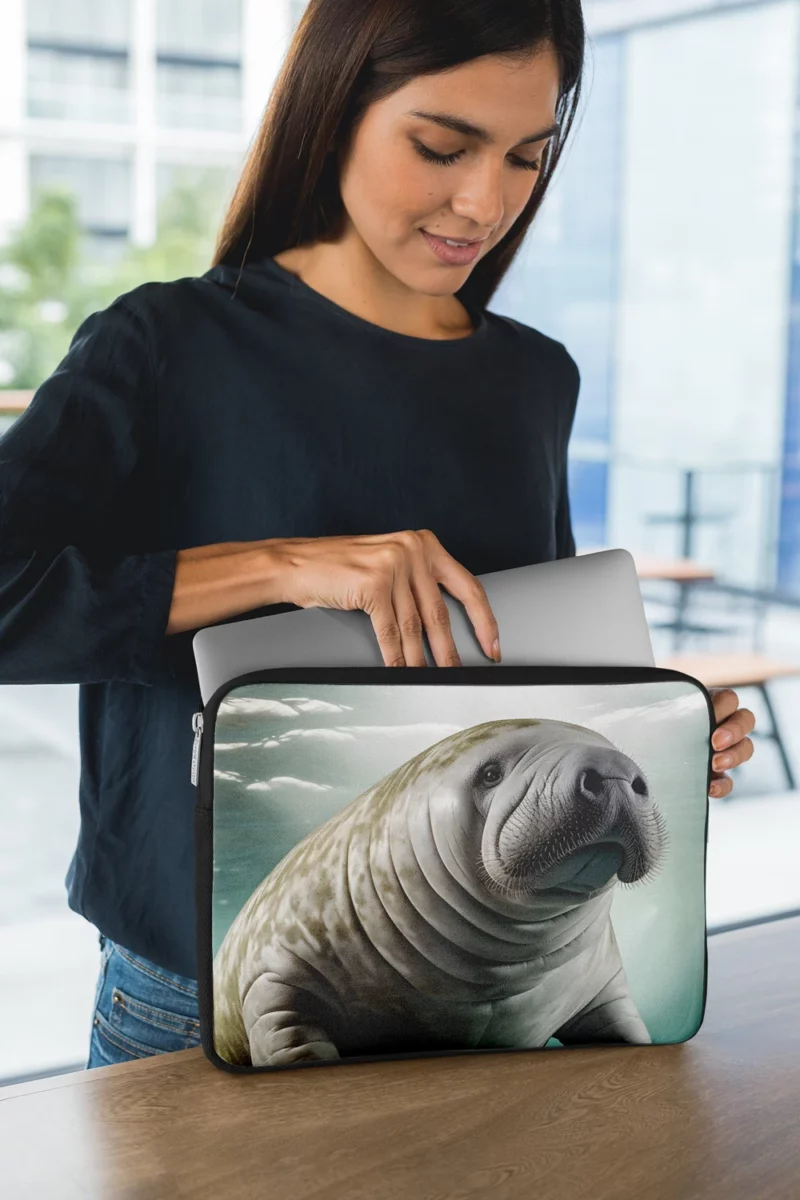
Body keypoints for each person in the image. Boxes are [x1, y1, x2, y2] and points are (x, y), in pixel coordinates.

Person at [0, 0, 755, 1070]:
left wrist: (656, 734)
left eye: (525, 158)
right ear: (332, 109)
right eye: (440, 147)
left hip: (481, 998)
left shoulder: (535, 378)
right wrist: (287, 567)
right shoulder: (163, 344)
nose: (482, 201)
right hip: (209, 997)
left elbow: (518, 669)